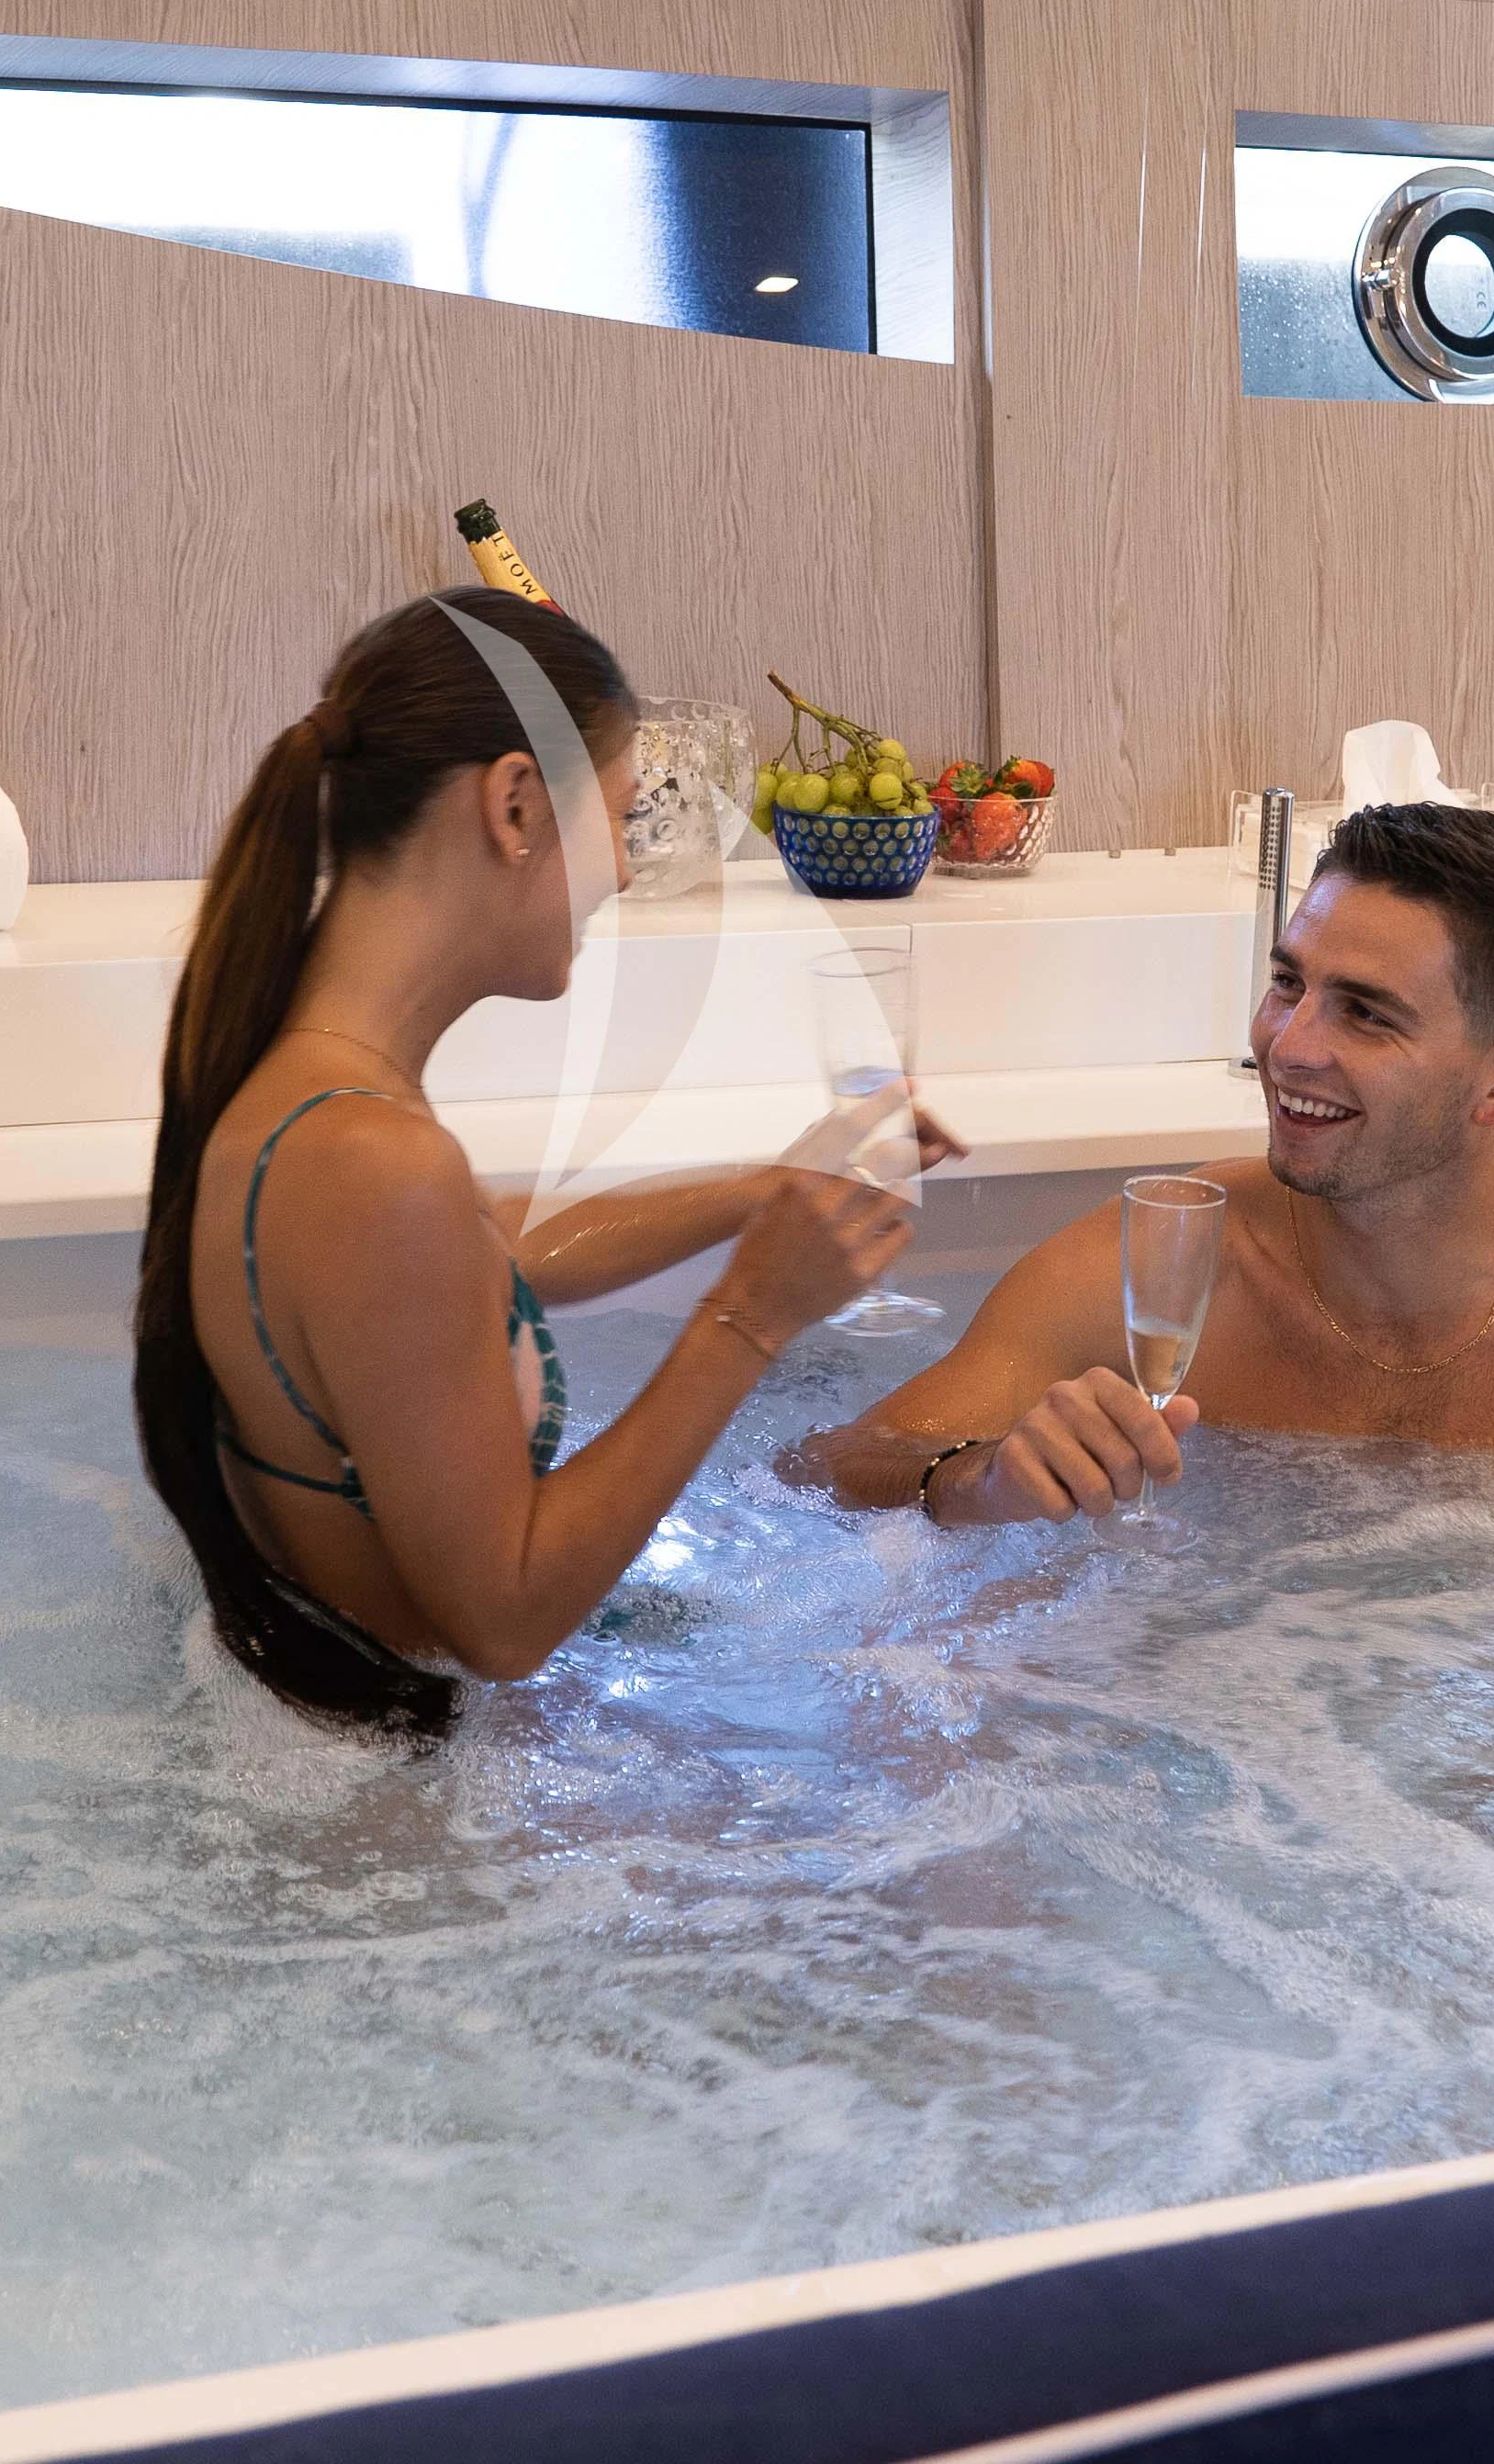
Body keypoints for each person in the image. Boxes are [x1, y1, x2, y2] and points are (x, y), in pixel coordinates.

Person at [137, 587, 941, 1736]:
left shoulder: (311, 1091)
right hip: (405, 1834)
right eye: (614, 816)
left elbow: (473, 1258)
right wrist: (753, 1311)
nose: (622, 865)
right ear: (515, 804)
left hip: (351, 1770)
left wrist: (772, 1189)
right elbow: (504, 1625)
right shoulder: (373, 1160)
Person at [783, 802, 1494, 1525]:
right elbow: (809, 1473)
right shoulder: (1161, 1269)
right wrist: (979, 1477)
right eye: (1288, 982)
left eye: (1366, 1011)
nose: (1287, 1044)